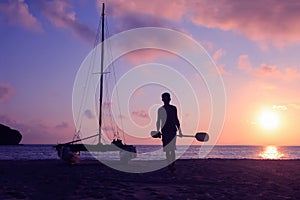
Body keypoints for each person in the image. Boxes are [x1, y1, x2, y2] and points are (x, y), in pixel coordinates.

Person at [156, 92, 182, 172]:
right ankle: (169, 165)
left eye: (167, 98)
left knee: (172, 149)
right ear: (162, 100)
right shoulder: (160, 110)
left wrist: (180, 131)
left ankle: (172, 165)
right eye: (165, 98)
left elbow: (176, 120)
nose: (166, 100)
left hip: (172, 131)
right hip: (165, 131)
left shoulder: (174, 108)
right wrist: (158, 131)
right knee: (167, 150)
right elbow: (158, 121)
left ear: (170, 99)